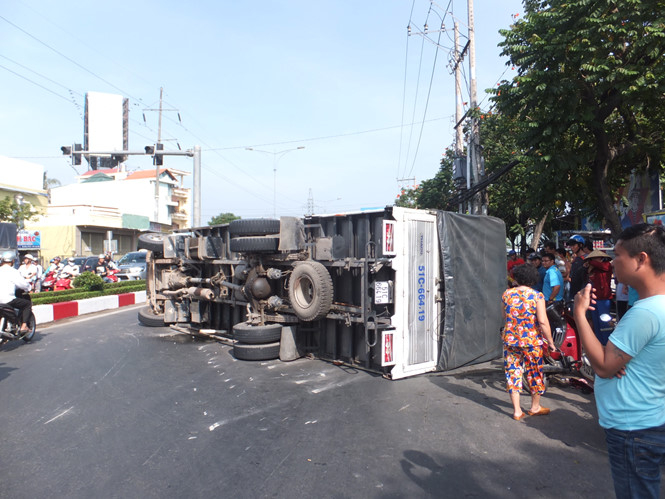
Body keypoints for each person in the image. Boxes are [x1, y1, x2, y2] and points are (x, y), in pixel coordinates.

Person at [574, 223, 665, 498]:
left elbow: (602, 366)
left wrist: (579, 315)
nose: (612, 261)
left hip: (632, 427)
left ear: (641, 260)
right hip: (649, 419)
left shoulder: (645, 314)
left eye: (619, 255)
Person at [501, 264, 556, 421]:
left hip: (510, 340)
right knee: (534, 372)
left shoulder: (507, 294)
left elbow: (504, 316)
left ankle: (517, 411)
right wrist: (550, 342)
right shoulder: (537, 296)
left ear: (516, 278)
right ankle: (535, 407)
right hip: (531, 341)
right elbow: (543, 322)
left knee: (513, 372)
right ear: (533, 279)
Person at [584, 249, 614, 345]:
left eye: (594, 258)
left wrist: (590, 262)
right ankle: (600, 343)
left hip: (604, 299)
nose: (593, 260)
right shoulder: (592, 269)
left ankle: (607, 343)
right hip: (594, 299)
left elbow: (603, 267)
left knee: (604, 323)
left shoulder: (607, 265)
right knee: (596, 323)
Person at [0, 250, 33, 334]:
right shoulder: (13, 271)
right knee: (27, 304)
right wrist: (29, 288)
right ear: (13, 261)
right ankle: (24, 326)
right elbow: (23, 284)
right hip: (7, 300)